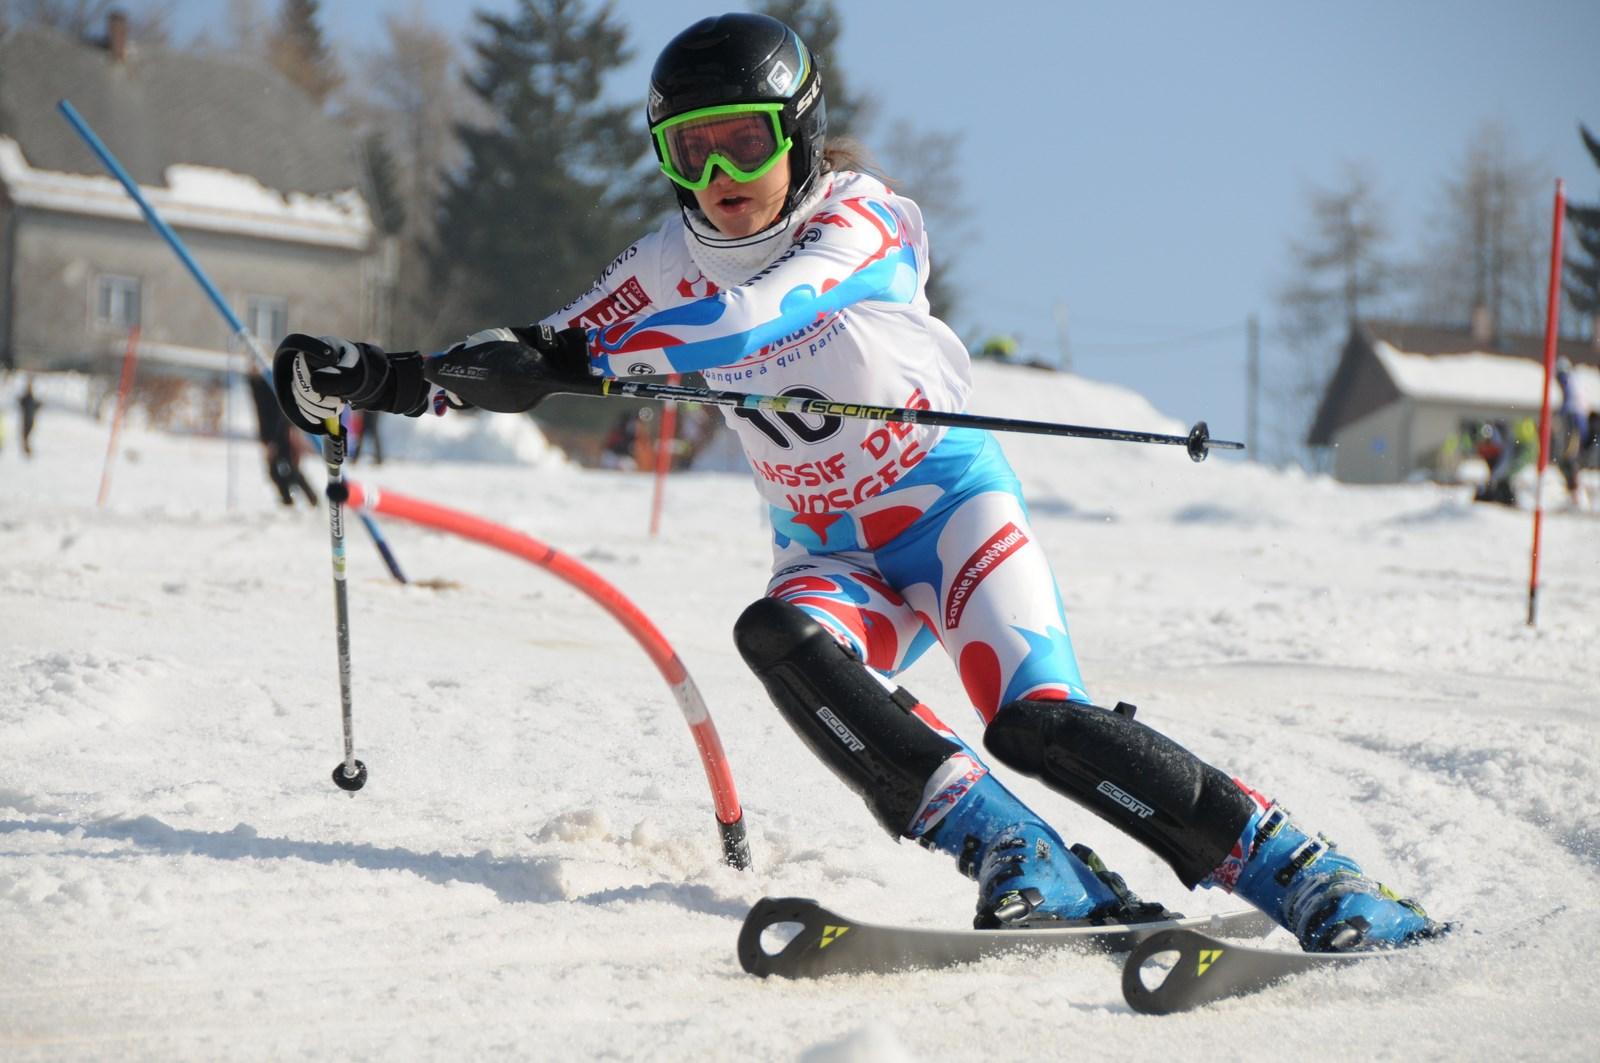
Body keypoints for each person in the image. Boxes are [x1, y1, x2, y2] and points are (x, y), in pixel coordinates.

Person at [272, 13, 1441, 952]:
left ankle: (1307, 872)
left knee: (1036, 721)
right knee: (776, 633)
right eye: (690, 150)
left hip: (950, 515)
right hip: (831, 551)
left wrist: (600, 358)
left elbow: (765, 313)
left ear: (801, 135)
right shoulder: (665, 265)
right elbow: (537, 348)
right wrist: (382, 376)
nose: (720, 175)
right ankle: (1020, 856)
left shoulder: (862, 218)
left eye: (746, 142)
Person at [248, 371, 316, 508]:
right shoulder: (256, 383)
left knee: (287, 469)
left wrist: (273, 439)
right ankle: (291, 499)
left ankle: (307, 498)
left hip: (281, 433)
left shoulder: (268, 384)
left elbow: (278, 413)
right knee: (278, 470)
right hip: (271, 433)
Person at [18, 375, 40, 458]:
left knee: (25, 436)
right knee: (25, 436)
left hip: (28, 421)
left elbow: (34, 406)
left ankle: (27, 450)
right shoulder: (29, 398)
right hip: (29, 421)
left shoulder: (28, 399)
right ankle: (27, 450)